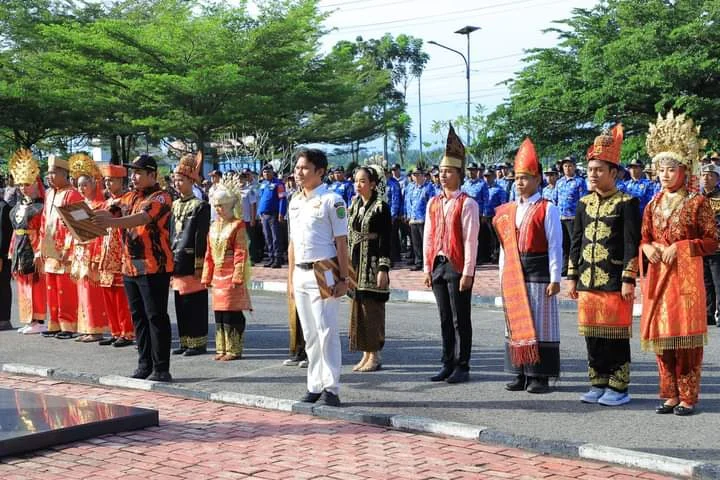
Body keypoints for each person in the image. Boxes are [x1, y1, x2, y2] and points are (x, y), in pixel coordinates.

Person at [641, 111, 718, 416]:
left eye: (671, 169)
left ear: (684, 170)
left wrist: (683, 246)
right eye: (660, 169)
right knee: (663, 338)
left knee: (686, 341)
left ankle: (688, 396)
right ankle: (669, 394)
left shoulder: (698, 203)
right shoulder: (652, 204)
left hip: (685, 281)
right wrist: (648, 248)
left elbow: (713, 241)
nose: (665, 175)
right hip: (659, 278)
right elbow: (644, 237)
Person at [567, 125, 640, 406]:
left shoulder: (627, 203)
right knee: (592, 335)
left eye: (599, 170)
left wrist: (628, 279)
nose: (593, 174)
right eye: (590, 170)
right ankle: (597, 383)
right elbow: (575, 242)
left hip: (614, 280)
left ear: (614, 172)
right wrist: (571, 276)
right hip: (587, 279)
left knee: (615, 336)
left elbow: (632, 243)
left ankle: (618, 387)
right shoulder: (583, 203)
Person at [93, 154, 174, 382]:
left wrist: (111, 223)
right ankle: (144, 365)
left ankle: (161, 368)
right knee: (138, 318)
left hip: (153, 266)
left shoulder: (161, 197)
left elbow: (141, 218)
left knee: (155, 317)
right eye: (133, 172)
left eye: (139, 172)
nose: (134, 176)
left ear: (152, 174)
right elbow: (109, 211)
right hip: (129, 266)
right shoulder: (130, 196)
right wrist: (82, 217)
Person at [494, 138, 562, 394]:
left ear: (538, 179)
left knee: (540, 324)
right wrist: (502, 274)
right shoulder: (508, 210)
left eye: (525, 177)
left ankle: (539, 376)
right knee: (515, 321)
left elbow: (555, 245)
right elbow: (504, 247)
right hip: (514, 271)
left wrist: (555, 277)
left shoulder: (547, 208)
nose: (520, 182)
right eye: (517, 178)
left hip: (539, 272)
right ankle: (520, 372)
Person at [288, 147, 349, 407]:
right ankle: (314, 385)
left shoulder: (332, 200)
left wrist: (344, 278)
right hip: (300, 272)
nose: (299, 173)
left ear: (320, 171)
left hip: (324, 271)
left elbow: (342, 242)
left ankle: (331, 388)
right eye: (297, 168)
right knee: (310, 333)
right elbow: (292, 243)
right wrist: (290, 279)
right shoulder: (295, 201)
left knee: (327, 331)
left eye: (304, 168)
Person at [423, 125, 479, 384]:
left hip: (456, 265)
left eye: (448, 172)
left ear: (459, 174)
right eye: (441, 172)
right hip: (438, 264)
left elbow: (470, 240)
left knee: (460, 319)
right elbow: (428, 236)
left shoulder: (467, 203)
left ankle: (462, 364)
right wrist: (427, 267)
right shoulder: (433, 202)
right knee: (444, 318)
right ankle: (447, 362)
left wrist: (468, 272)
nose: (443, 176)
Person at [201, 176, 253, 361]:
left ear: (231, 206)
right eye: (216, 206)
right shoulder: (213, 227)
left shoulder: (237, 225)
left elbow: (241, 251)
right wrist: (206, 276)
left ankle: (234, 349)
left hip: (231, 274)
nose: (218, 209)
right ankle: (221, 348)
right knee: (219, 313)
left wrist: (238, 275)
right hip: (217, 276)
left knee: (232, 312)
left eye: (222, 206)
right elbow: (209, 254)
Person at [348, 165, 392, 373]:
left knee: (372, 310)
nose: (358, 185)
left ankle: (375, 354)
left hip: (373, 264)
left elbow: (386, 239)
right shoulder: (355, 204)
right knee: (359, 308)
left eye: (363, 181)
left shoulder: (381, 207)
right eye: (356, 181)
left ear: (373, 184)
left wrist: (383, 267)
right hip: (357, 264)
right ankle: (366, 353)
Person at [38, 155, 83, 339]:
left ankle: (69, 326)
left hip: (66, 251)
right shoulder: (49, 194)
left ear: (64, 174)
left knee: (66, 290)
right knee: (52, 288)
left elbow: (79, 224)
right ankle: (55, 323)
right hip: (50, 249)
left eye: (53, 173)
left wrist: (68, 248)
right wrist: (40, 247)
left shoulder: (73, 194)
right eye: (48, 173)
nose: (49, 176)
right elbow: (44, 221)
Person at [170, 154, 211, 356]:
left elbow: (200, 237)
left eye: (181, 180)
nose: (177, 184)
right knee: (180, 303)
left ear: (191, 181)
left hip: (191, 259)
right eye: (176, 180)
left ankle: (198, 342)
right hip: (176, 258)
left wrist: (199, 264)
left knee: (194, 302)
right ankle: (185, 340)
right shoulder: (175, 205)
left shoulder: (200, 206)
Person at [68, 154, 109, 342]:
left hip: (94, 251)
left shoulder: (101, 205)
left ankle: (95, 329)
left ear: (94, 184)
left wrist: (97, 254)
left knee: (92, 292)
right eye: (79, 185)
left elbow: (102, 233)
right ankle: (86, 328)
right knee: (82, 291)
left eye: (85, 184)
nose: (81, 188)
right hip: (80, 252)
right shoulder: (80, 206)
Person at [7, 150, 46, 334]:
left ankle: (38, 320)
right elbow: (15, 231)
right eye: (21, 184)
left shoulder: (41, 207)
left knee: (35, 285)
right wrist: (12, 250)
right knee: (23, 285)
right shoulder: (18, 206)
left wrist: (39, 250)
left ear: (36, 184)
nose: (23, 188)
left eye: (27, 184)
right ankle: (28, 319)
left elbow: (43, 230)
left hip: (33, 247)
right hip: (19, 246)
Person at [97, 164, 134, 347]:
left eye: (111, 180)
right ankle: (115, 330)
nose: (108, 183)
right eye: (106, 180)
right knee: (108, 294)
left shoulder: (128, 200)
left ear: (121, 181)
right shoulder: (106, 202)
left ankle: (127, 332)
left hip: (121, 253)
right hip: (106, 252)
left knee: (121, 296)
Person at [553, 156, 587, 276]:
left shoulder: (580, 182)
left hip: (574, 218)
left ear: (574, 167)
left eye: (570, 166)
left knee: (575, 244)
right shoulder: (559, 182)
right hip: (561, 218)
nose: (567, 168)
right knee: (563, 244)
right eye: (565, 166)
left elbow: (583, 200)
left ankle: (575, 267)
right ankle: (564, 268)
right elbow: (555, 199)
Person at [700, 163, 720, 327]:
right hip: (701, 247)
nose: (706, 178)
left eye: (710, 175)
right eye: (703, 175)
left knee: (718, 282)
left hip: (717, 247)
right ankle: (708, 313)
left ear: (717, 179)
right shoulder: (696, 198)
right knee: (705, 282)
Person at [257, 165, 287, 268]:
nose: (266, 174)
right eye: (264, 172)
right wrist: (259, 213)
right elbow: (261, 199)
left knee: (275, 238)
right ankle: (271, 258)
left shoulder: (279, 184)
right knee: (268, 237)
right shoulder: (263, 184)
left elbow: (282, 199)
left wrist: (281, 213)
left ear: (272, 172)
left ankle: (278, 259)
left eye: (268, 172)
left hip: (274, 214)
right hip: (264, 215)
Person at [405, 167, 433, 271]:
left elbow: (432, 203)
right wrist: (408, 215)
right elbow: (408, 202)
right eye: (414, 175)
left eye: (418, 175)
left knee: (425, 243)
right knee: (416, 243)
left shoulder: (428, 187)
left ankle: (427, 263)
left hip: (424, 219)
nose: (416, 177)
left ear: (423, 176)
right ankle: (419, 262)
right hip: (413, 218)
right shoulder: (411, 188)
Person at [481, 167, 507, 264]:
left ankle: (495, 256)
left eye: (489, 176)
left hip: (494, 216)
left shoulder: (499, 189)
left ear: (493, 176)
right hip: (484, 215)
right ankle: (485, 256)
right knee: (484, 237)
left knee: (495, 238)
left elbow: (503, 203)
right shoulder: (482, 188)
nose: (487, 178)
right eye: (485, 176)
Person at [0, 175, 12, 331]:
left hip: (2, 255)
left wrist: (1, 255)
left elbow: (3, 234)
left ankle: (4, 319)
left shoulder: (4, 207)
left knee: (2, 285)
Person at [386, 169, 404, 265]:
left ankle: (394, 257)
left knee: (392, 237)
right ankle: (395, 256)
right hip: (385, 214)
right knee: (392, 236)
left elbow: (395, 200)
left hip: (392, 215)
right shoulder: (383, 185)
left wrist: (393, 215)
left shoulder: (393, 184)